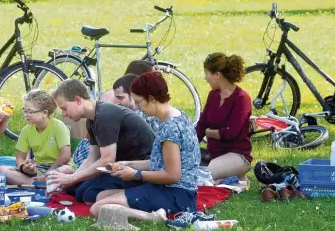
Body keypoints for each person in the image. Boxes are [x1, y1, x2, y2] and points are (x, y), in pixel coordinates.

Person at [90, 72, 201, 220]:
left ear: (151, 99)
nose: (137, 107)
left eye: (138, 102)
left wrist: (136, 174)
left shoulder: (170, 128)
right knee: (101, 196)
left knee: (98, 208)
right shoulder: (177, 115)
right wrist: (129, 164)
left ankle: (153, 218)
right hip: (169, 190)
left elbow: (173, 175)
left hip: (176, 194)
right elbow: (162, 163)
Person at [47, 79, 154, 204]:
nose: (64, 114)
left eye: (64, 108)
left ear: (77, 99)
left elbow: (107, 160)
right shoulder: (92, 119)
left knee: (89, 197)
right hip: (117, 168)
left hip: (140, 169)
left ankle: (139, 194)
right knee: (77, 191)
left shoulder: (105, 116)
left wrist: (72, 178)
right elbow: (93, 157)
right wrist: (72, 178)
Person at [195, 53, 252, 183]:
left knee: (200, 175)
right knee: (182, 167)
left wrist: (209, 133)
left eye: (207, 73)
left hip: (237, 155)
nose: (206, 78)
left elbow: (230, 133)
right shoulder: (213, 95)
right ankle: (226, 178)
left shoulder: (241, 99)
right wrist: (189, 143)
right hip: (213, 154)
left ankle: (234, 176)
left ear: (217, 75)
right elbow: (202, 124)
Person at [0, 90, 74, 185]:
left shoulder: (58, 126)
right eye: (24, 111)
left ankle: (35, 182)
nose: (26, 115)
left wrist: (48, 173)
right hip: (39, 168)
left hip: (58, 167)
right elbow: (20, 158)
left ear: (45, 113)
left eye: (30, 112)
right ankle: (36, 183)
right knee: (1, 169)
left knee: (67, 169)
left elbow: (65, 156)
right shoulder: (26, 130)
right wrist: (24, 167)